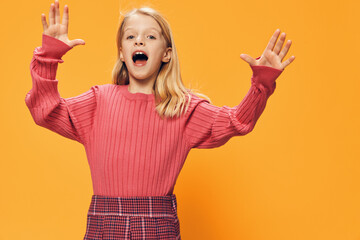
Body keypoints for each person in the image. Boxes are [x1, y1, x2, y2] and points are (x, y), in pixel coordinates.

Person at [25, 0, 295, 239]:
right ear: (121, 51)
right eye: (131, 37)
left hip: (159, 228)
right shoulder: (98, 101)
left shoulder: (183, 108)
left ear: (166, 54)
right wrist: (49, 57)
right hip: (103, 226)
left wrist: (261, 82)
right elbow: (45, 111)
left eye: (150, 37)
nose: (139, 42)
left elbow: (237, 121)